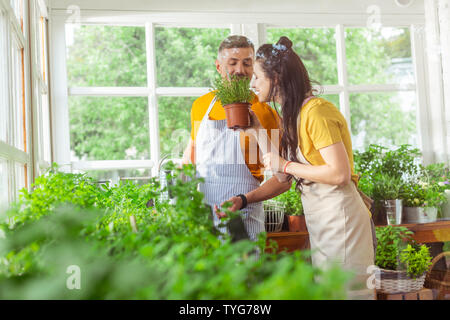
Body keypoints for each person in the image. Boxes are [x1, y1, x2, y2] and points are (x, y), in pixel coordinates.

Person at [247, 36, 376, 287]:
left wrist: (284, 164)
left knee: (350, 293)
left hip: (343, 220)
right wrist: (257, 130)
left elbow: (339, 174)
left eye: (256, 76)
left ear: (276, 79)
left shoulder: (317, 112)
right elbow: (283, 176)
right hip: (324, 222)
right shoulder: (294, 115)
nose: (252, 83)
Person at [181, 35, 291, 241]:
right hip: (204, 221)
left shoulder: (265, 113)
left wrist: (244, 200)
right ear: (218, 66)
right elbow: (190, 158)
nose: (240, 70)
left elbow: (282, 181)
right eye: (232, 63)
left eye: (247, 64)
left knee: (246, 273)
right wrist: (176, 198)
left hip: (246, 219)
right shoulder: (201, 106)